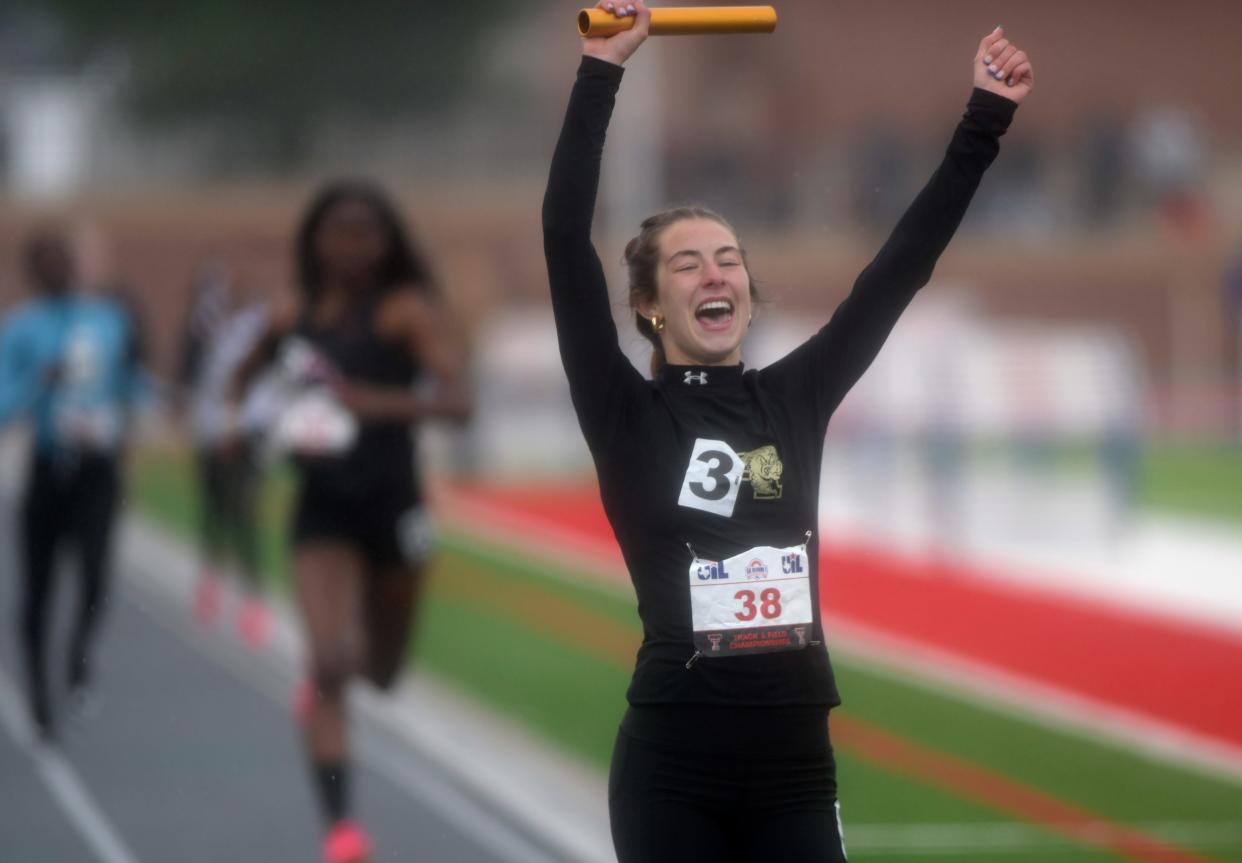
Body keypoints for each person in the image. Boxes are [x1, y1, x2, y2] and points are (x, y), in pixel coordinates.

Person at [542, 4, 1032, 860]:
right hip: (671, 771)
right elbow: (562, 241)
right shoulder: (626, 413)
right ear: (653, 308)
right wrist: (602, 69)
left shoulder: (794, 396)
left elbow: (900, 270)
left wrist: (984, 116)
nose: (716, 272)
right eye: (688, 264)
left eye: (728, 258)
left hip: (796, 769)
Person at [231, 181, 472, 863]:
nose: (351, 245)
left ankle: (339, 673)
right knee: (331, 663)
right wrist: (244, 426)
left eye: (366, 232)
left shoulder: (403, 312)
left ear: (388, 241)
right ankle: (341, 826)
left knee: (382, 674)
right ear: (313, 240)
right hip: (323, 509)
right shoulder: (289, 313)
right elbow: (240, 383)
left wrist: (374, 402)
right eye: (337, 231)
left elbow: (460, 402)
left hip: (396, 510)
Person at [0, 229, 149, 740]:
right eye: (47, 263)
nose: (58, 271)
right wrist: (40, 380)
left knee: (95, 576)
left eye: (64, 261)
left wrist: (156, 401)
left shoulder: (107, 321)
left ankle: (78, 656)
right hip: (47, 469)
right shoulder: (20, 328)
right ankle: (39, 696)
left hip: (97, 469)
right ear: (33, 272)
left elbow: (129, 381)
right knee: (37, 590)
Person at [176, 256, 270, 645]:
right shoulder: (204, 327)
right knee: (214, 510)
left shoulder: (257, 328)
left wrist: (245, 425)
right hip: (211, 432)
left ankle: (252, 598)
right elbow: (191, 376)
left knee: (244, 513)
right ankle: (211, 583)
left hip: (245, 435)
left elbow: (264, 383)